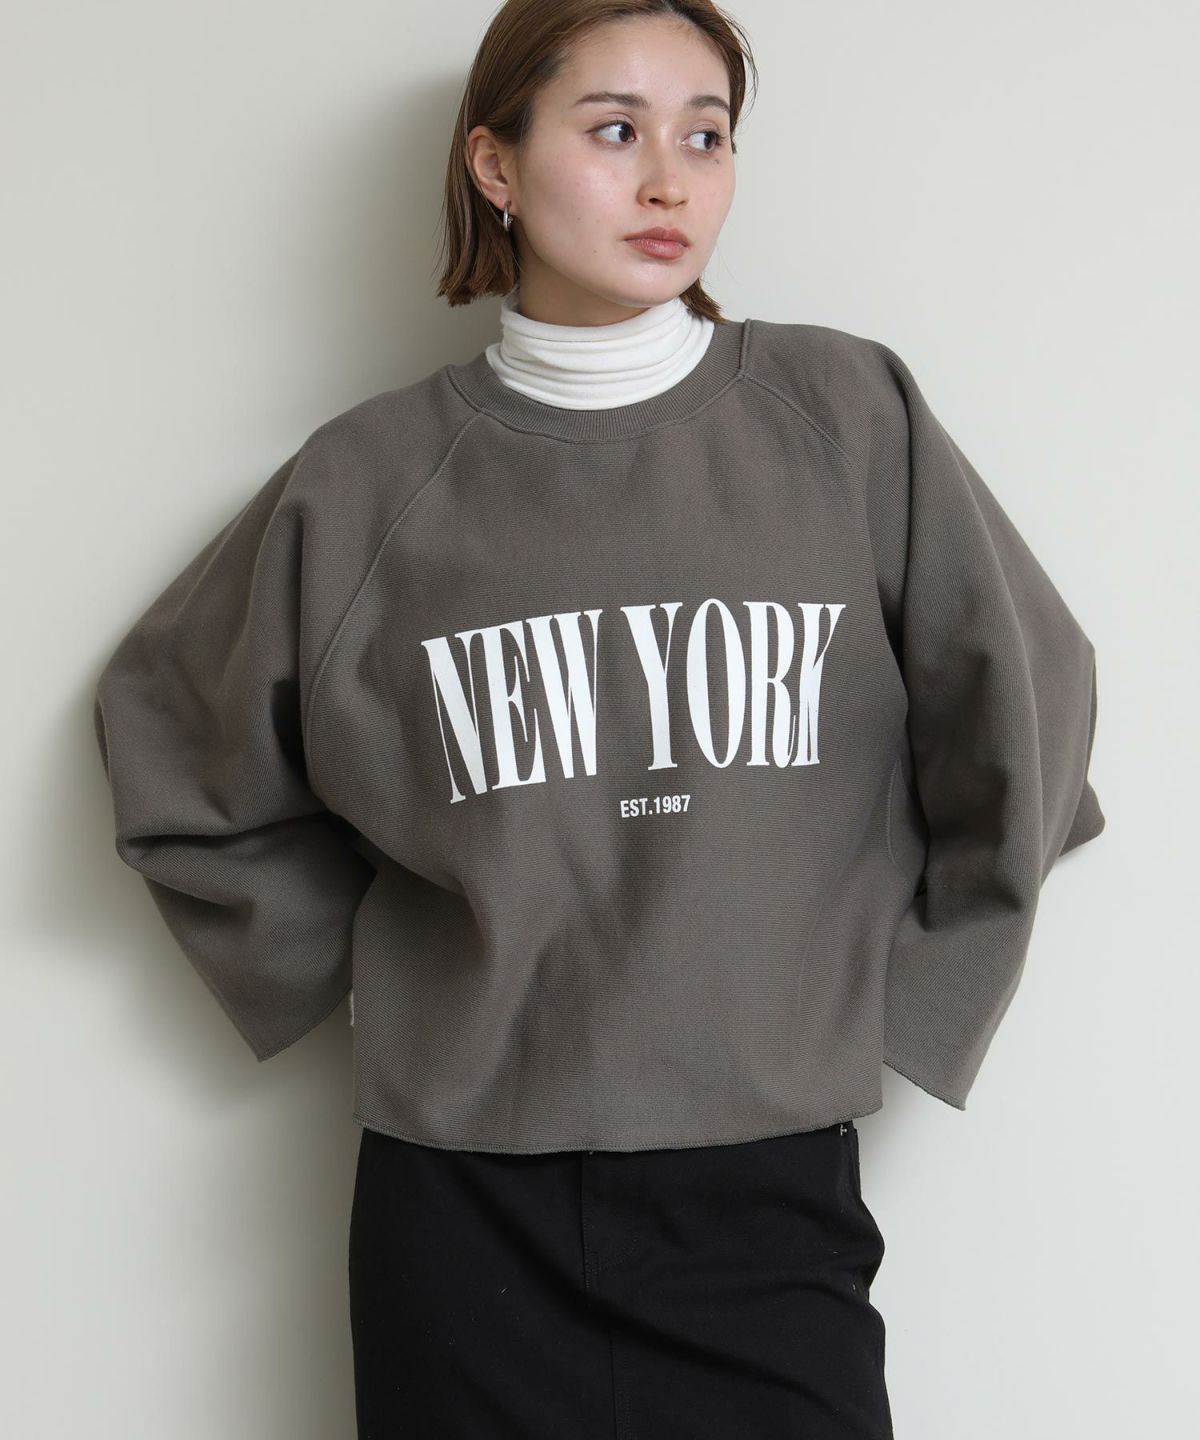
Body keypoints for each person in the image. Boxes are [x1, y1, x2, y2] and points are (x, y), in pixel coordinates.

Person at [92, 2, 1106, 1436]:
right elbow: (171, 736)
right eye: (615, 129)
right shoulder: (369, 482)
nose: (669, 179)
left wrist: (918, 996)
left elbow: (1027, 696)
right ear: (495, 165)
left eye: (708, 136)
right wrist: (365, 980)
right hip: (460, 1207)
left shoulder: (842, 417)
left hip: (766, 1190)